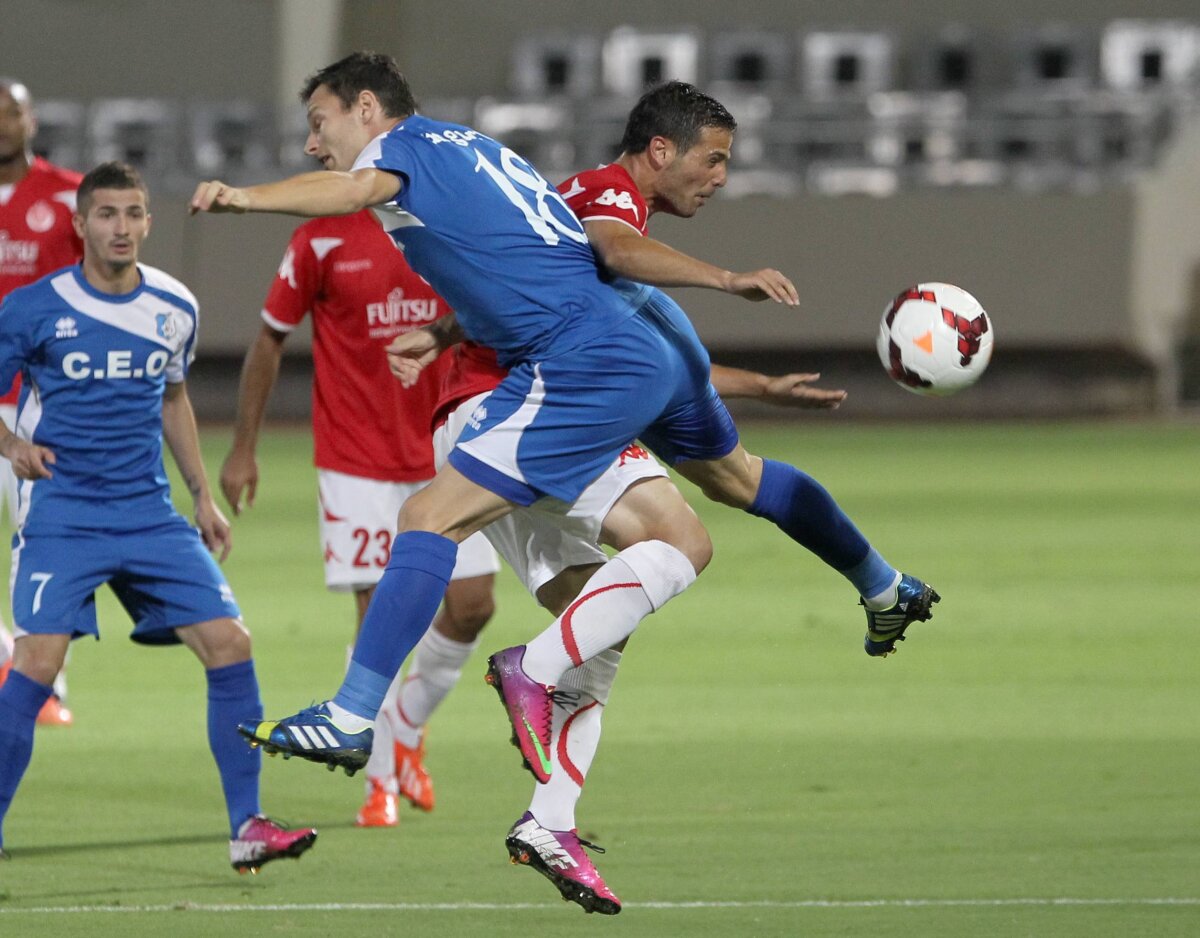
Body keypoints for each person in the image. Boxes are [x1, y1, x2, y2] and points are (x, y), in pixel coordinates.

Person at [190, 53, 935, 806]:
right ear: (660, 151)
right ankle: (880, 587)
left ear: (366, 110)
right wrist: (449, 330)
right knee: (722, 497)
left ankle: (384, 710)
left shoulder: (414, 154)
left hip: (570, 367)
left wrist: (242, 198)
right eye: (715, 160)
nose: (316, 143)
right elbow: (540, 261)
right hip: (640, 347)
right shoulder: (474, 146)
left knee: (430, 518)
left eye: (320, 124)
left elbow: (366, 194)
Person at [0, 161, 316, 872]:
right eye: (106, 214)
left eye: (134, 213)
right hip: (64, 514)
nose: (121, 227)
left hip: (147, 514)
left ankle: (248, 827)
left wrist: (201, 494)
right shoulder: (33, 307)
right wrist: (14, 445)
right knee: (38, 663)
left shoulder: (174, 305)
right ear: (80, 224)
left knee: (230, 643)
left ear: (148, 221)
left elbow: (173, 398)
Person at [220, 208, 499, 828]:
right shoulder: (320, 237)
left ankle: (406, 727)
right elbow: (269, 336)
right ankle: (379, 786)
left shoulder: (448, 222)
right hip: (357, 460)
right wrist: (244, 446)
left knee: (473, 604)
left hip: (444, 445)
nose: (319, 142)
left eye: (326, 122)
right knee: (381, 617)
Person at [0, 77, 81, 727]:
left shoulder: (70, 195)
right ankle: (11, 659)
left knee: (44, 538)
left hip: (42, 401)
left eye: (12, 111)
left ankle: (46, 682)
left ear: (32, 120)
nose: (2, 121)